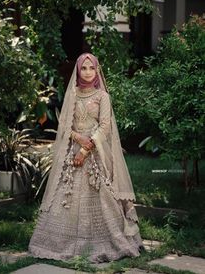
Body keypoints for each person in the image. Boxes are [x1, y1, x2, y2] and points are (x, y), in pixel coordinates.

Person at [29, 53, 144, 263]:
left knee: (103, 196)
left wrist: (86, 147)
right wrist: (77, 138)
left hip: (95, 154)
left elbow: (105, 126)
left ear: (97, 70)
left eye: (92, 68)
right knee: (64, 197)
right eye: (84, 68)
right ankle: (61, 242)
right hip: (72, 154)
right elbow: (64, 125)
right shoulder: (72, 94)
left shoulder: (102, 96)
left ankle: (104, 241)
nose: (88, 72)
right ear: (78, 71)